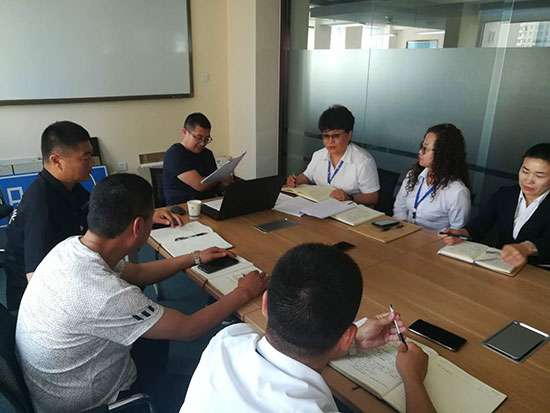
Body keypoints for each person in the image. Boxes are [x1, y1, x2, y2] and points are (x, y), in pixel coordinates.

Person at [15, 173, 268, 413]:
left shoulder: (71, 247)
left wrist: (195, 257)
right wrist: (245, 291)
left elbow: (138, 273)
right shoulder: (106, 294)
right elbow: (189, 328)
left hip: (57, 384)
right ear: (138, 226)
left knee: (157, 328)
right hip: (90, 404)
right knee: (214, 398)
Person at [181, 243, 435, 413]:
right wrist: (412, 377)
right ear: (346, 335)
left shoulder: (227, 339)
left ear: (265, 304)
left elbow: (291, 351)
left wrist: (353, 343)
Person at [4, 121, 183, 311]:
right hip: (41, 300)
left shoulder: (71, 187)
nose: (93, 163)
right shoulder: (41, 204)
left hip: (75, 268)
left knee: (132, 280)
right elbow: (35, 280)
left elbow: (105, 214)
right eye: (86, 157)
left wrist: (148, 214)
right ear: (57, 161)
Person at [441, 143, 550, 268]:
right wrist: (460, 233)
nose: (529, 180)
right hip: (501, 265)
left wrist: (527, 248)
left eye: (539, 175)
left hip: (537, 271)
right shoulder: (505, 194)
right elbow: (481, 223)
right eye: (525, 171)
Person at [286, 105, 380, 206]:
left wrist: (350, 197)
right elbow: (307, 177)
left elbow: (373, 197)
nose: (330, 141)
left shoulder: (363, 161)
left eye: (336, 136)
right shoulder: (319, 155)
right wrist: (296, 180)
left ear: (349, 135)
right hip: (321, 206)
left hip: (351, 210)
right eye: (326, 136)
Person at [393, 123, 471, 231]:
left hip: (434, 241)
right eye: (422, 146)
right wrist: (404, 227)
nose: (420, 152)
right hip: (403, 234)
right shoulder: (413, 175)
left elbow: (456, 233)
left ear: (442, 153)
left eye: (425, 148)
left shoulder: (457, 192)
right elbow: (399, 208)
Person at [162, 112, 231, 205]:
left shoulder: (207, 154)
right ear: (185, 132)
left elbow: (215, 187)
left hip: (209, 204)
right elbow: (200, 185)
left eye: (206, 139)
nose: (202, 143)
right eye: (198, 138)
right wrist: (219, 178)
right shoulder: (175, 154)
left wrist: (225, 183)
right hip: (183, 207)